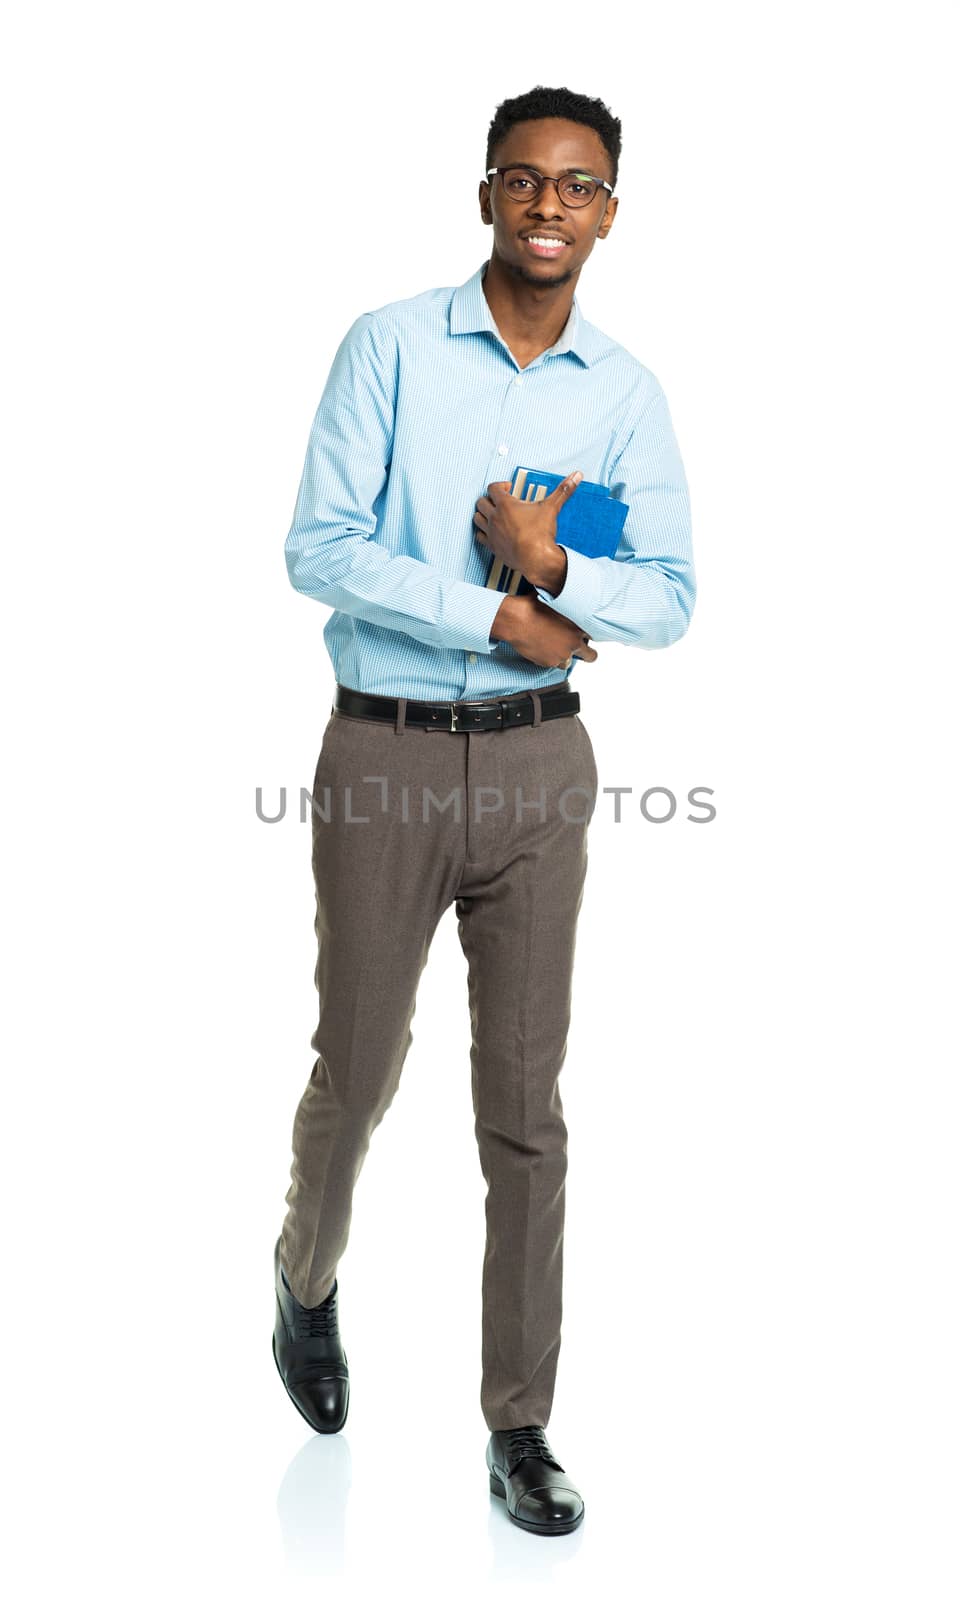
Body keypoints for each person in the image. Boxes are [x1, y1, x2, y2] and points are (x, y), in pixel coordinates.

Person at [272, 83, 695, 1536]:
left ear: (609, 213)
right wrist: (491, 610)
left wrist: (558, 573)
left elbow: (671, 601)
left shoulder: (624, 395)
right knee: (361, 1066)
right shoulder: (389, 347)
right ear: (486, 197)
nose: (548, 208)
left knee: (527, 1112)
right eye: (524, 180)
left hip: (539, 772)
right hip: (382, 755)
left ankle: (520, 1425)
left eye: (577, 187)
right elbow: (318, 548)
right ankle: (305, 1279)